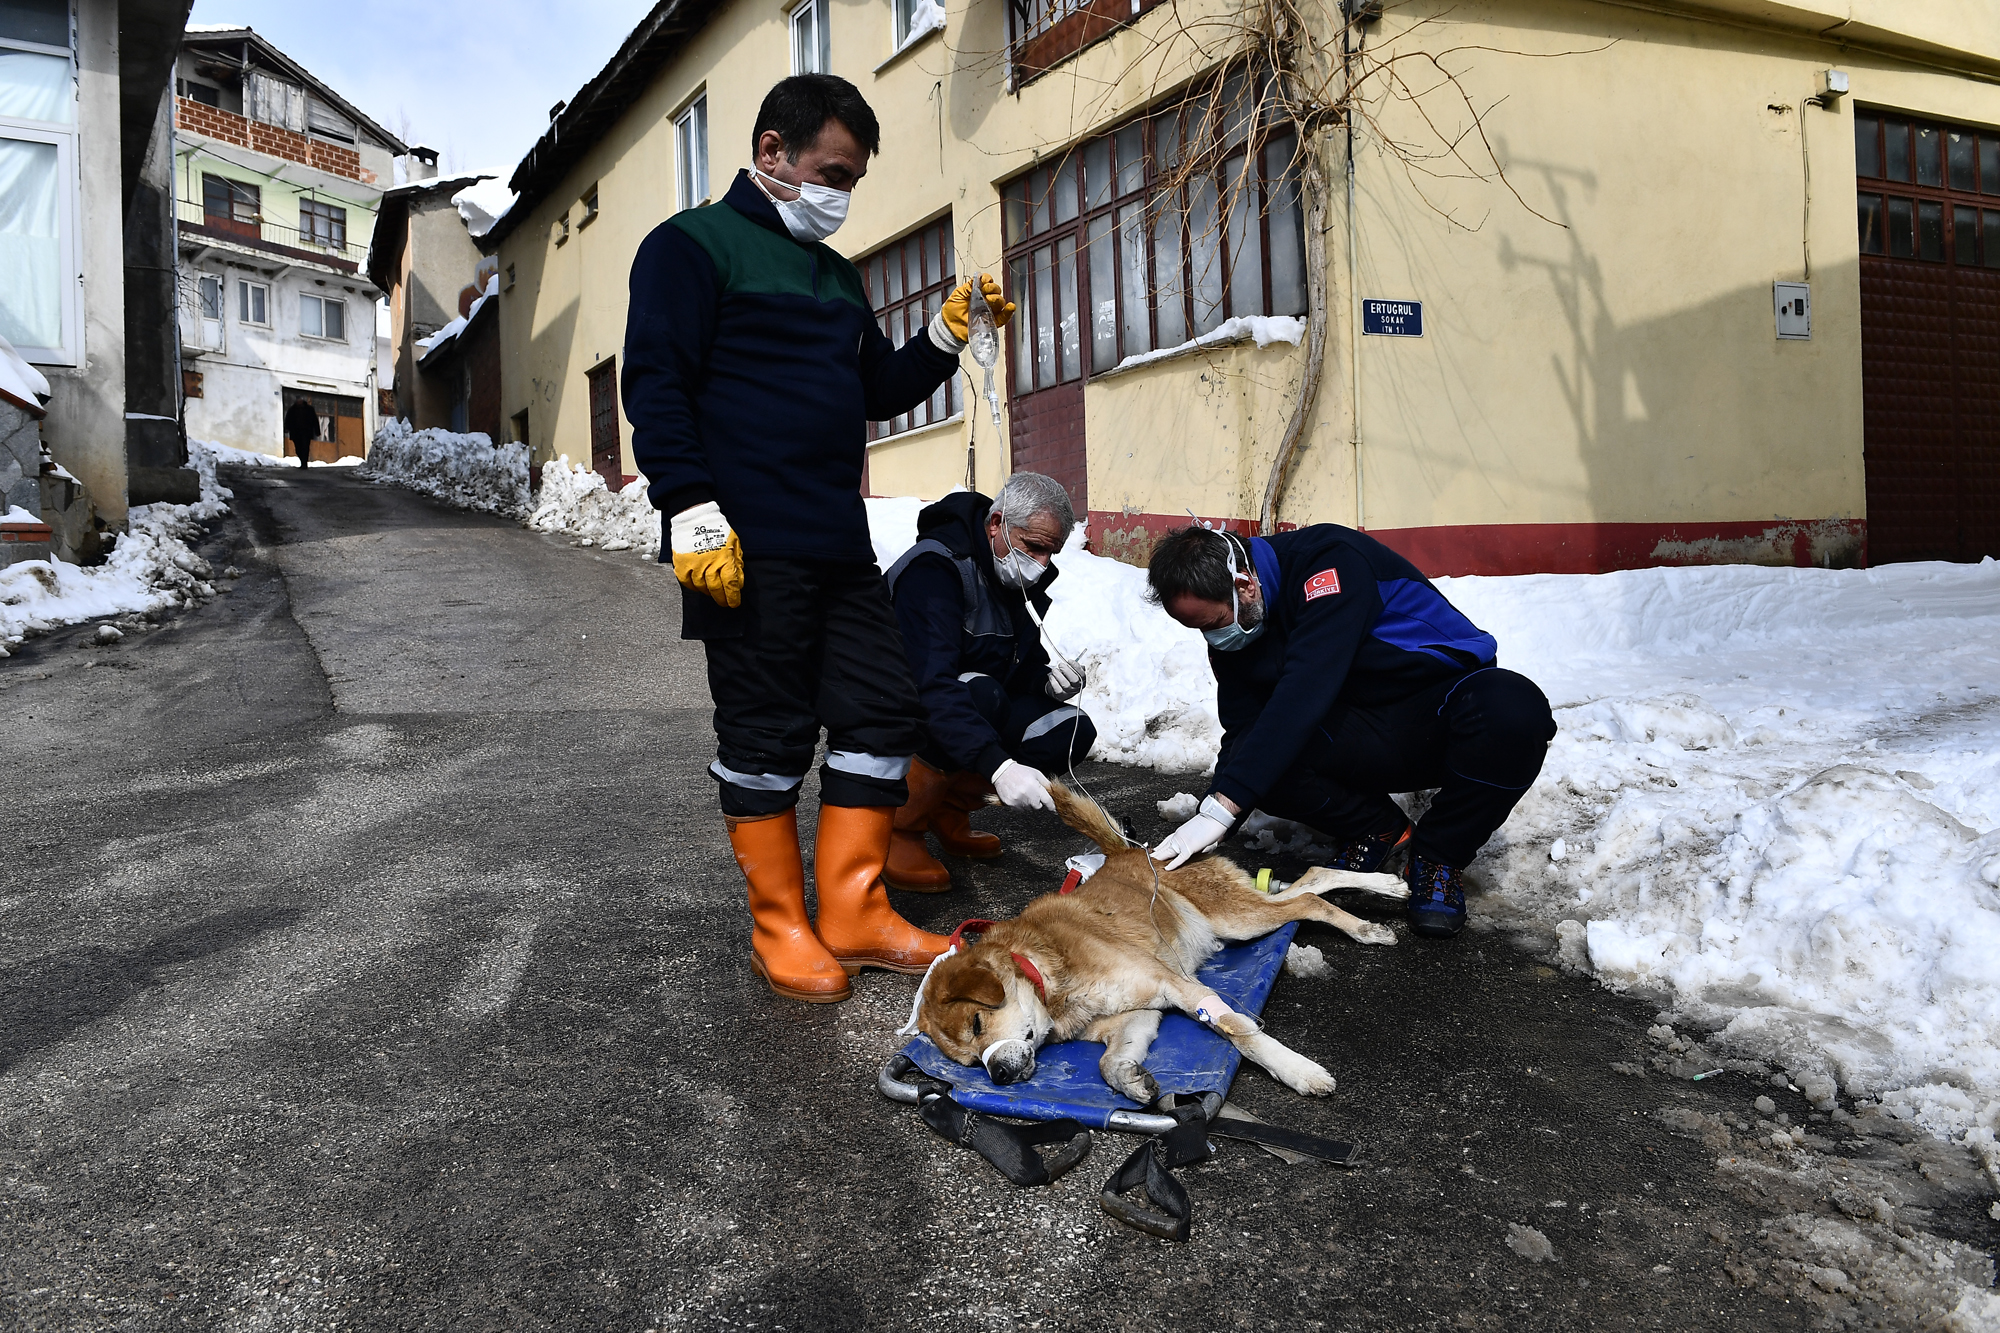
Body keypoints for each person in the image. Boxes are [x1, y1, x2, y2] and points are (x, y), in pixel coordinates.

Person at [622, 73, 1020, 1004]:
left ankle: (851, 912)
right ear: (771, 153)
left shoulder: (838, 275)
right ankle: (779, 927)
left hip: (839, 542)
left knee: (882, 710)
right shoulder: (689, 248)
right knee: (767, 733)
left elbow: (876, 391)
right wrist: (689, 506)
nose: (842, 192)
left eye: (854, 178)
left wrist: (942, 334)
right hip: (742, 540)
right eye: (831, 170)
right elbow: (657, 383)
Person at [1145, 523, 1556, 938]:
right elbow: (1243, 728)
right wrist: (1212, 820)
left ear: (1244, 584)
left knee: (1513, 711)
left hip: (1434, 712)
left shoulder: (1330, 562)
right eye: (1200, 629)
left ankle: (1438, 857)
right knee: (1248, 764)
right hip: (1356, 724)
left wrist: (1223, 808)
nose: (1214, 637)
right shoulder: (1237, 629)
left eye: (1215, 622)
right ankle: (1376, 828)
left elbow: (1306, 687)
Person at [881, 472, 1097, 890]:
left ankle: (948, 811)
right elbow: (931, 684)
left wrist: (1045, 682)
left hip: (968, 701)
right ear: (996, 523)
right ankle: (901, 826)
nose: (1042, 564)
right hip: (902, 711)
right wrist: (997, 765)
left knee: (1069, 730)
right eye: (1033, 547)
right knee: (982, 694)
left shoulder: (1012, 574)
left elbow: (1019, 663)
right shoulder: (935, 567)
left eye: (1051, 553)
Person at [284, 397, 320, 469]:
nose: (299, 402)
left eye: (300, 400)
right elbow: (288, 419)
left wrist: (317, 431)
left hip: (306, 432)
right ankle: (302, 461)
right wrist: (286, 428)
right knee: (298, 448)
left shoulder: (309, 409)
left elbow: (314, 420)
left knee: (305, 447)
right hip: (296, 432)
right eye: (298, 400)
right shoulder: (292, 410)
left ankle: (304, 464)